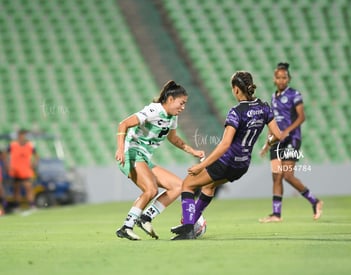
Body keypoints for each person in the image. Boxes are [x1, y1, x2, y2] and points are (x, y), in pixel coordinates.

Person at [170, 71, 283, 240]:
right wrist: (269, 142)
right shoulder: (264, 107)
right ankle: (191, 222)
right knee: (209, 187)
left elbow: (224, 145)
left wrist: (201, 165)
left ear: (236, 90)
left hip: (227, 162)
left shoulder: (236, 112)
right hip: (242, 165)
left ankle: (188, 228)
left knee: (187, 185)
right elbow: (278, 136)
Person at [115, 80, 205, 241]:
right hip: (132, 153)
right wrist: (120, 149)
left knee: (178, 186)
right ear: (170, 100)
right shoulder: (154, 110)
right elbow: (123, 124)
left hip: (145, 159)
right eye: (181, 103)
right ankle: (126, 227)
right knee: (150, 189)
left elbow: (173, 138)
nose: (183, 107)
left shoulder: (172, 117)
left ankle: (145, 218)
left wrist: (193, 151)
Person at [258, 62, 323, 223]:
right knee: (276, 176)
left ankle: (315, 201)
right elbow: (271, 122)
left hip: (291, 139)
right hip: (276, 141)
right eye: (278, 77)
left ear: (289, 79)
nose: (281, 80)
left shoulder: (295, 94)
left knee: (287, 175)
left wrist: (287, 131)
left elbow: (302, 117)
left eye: (284, 77)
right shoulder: (273, 97)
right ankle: (276, 214)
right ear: (274, 79)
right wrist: (267, 142)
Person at [6, 129, 39, 209]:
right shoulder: (13, 145)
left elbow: (36, 155)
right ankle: (17, 206)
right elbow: (6, 155)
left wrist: (34, 163)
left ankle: (32, 205)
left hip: (26, 170)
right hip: (15, 170)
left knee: (28, 187)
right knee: (16, 189)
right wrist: (8, 165)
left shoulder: (30, 145)